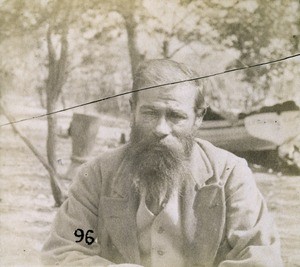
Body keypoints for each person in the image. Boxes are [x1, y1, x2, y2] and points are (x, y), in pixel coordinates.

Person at [42, 59, 283, 267]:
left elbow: (260, 256)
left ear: (198, 118)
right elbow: (65, 251)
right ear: (132, 110)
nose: (160, 129)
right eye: (150, 113)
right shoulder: (97, 175)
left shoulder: (230, 174)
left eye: (176, 116)